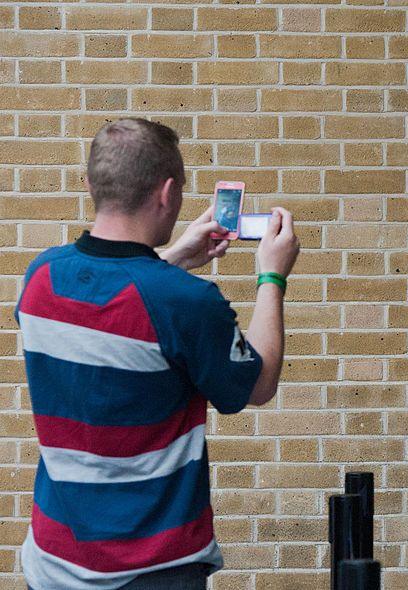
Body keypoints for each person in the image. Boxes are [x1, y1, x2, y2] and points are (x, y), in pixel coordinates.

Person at [17, 118, 300, 590]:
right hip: (152, 571)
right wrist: (271, 277)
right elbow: (260, 382)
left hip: (51, 564)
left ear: (91, 184)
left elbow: (111, 303)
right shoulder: (184, 302)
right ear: (167, 193)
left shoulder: (40, 277)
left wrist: (171, 257)